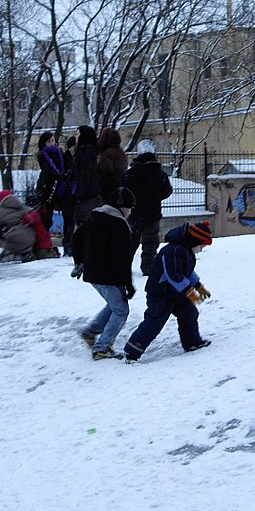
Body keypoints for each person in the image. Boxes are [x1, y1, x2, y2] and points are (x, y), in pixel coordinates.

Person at [122, 221, 214, 363]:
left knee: (189, 313)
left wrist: (199, 286)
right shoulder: (173, 251)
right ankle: (132, 351)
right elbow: (173, 275)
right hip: (161, 294)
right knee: (154, 322)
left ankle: (192, 342)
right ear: (194, 240)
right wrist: (190, 292)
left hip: (176, 293)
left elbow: (187, 272)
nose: (202, 249)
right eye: (201, 245)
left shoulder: (185, 250)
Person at [74, 186, 137, 360]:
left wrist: (79, 261)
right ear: (122, 206)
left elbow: (76, 237)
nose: (130, 212)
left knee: (113, 304)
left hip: (94, 273)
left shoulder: (95, 217)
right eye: (130, 207)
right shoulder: (119, 225)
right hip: (107, 275)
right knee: (121, 310)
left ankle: (90, 332)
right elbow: (121, 259)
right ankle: (102, 348)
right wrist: (128, 284)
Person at [125, 138, 174, 276]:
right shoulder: (159, 174)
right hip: (153, 213)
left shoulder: (131, 173)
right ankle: (148, 266)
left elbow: (124, 190)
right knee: (151, 242)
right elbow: (167, 191)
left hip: (134, 213)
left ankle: (124, 265)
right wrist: (155, 198)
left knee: (131, 241)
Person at [71, 125, 102, 247]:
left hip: (87, 196)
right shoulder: (90, 151)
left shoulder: (85, 151)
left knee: (85, 229)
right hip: (91, 194)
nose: (76, 137)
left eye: (78, 134)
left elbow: (85, 174)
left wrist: (80, 194)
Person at [35, 131, 70, 232]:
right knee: (46, 218)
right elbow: (47, 171)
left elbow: (67, 165)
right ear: (44, 143)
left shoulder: (60, 153)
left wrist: (65, 175)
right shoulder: (42, 155)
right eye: (49, 141)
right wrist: (60, 176)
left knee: (67, 215)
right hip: (49, 188)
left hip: (62, 187)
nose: (52, 143)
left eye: (53, 140)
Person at [96, 126, 128, 201]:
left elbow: (108, 173)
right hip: (119, 189)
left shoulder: (107, 154)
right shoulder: (121, 152)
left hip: (107, 192)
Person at [60, 135, 78, 257]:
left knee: (73, 221)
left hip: (75, 194)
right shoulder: (65, 159)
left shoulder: (78, 158)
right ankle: (67, 245)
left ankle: (72, 244)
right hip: (67, 194)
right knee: (68, 221)